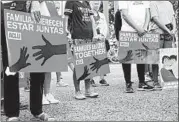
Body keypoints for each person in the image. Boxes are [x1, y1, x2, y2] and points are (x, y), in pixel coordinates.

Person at [1, 1, 55, 121]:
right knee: (11, 64)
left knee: (37, 61)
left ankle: (37, 109)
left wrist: (35, 1)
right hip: (7, 10)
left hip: (30, 8)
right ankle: (12, 112)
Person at [64, 1, 99, 100]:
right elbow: (66, 17)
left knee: (88, 63)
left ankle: (88, 90)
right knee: (79, 64)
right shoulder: (71, 2)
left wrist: (95, 34)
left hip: (89, 35)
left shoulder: (87, 3)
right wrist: (65, 29)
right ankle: (77, 91)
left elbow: (92, 19)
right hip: (78, 36)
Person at [118, 1, 154, 93]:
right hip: (127, 31)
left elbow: (147, 12)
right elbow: (125, 15)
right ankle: (128, 83)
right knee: (126, 59)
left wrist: (145, 28)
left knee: (141, 57)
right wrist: (137, 28)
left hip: (142, 31)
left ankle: (141, 82)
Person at [149, 1, 177, 90]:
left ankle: (168, 80)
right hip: (157, 32)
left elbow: (172, 17)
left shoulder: (169, 3)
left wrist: (174, 29)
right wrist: (168, 30)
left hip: (169, 32)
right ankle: (155, 81)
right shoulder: (153, 3)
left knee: (168, 56)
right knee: (156, 57)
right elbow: (155, 19)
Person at [89, 1, 109, 87]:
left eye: (98, 3)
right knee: (91, 58)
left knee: (102, 58)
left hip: (101, 38)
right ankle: (91, 79)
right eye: (94, 3)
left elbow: (105, 26)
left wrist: (103, 35)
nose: (96, 5)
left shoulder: (102, 15)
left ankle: (102, 78)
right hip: (92, 38)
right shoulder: (88, 14)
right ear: (90, 4)